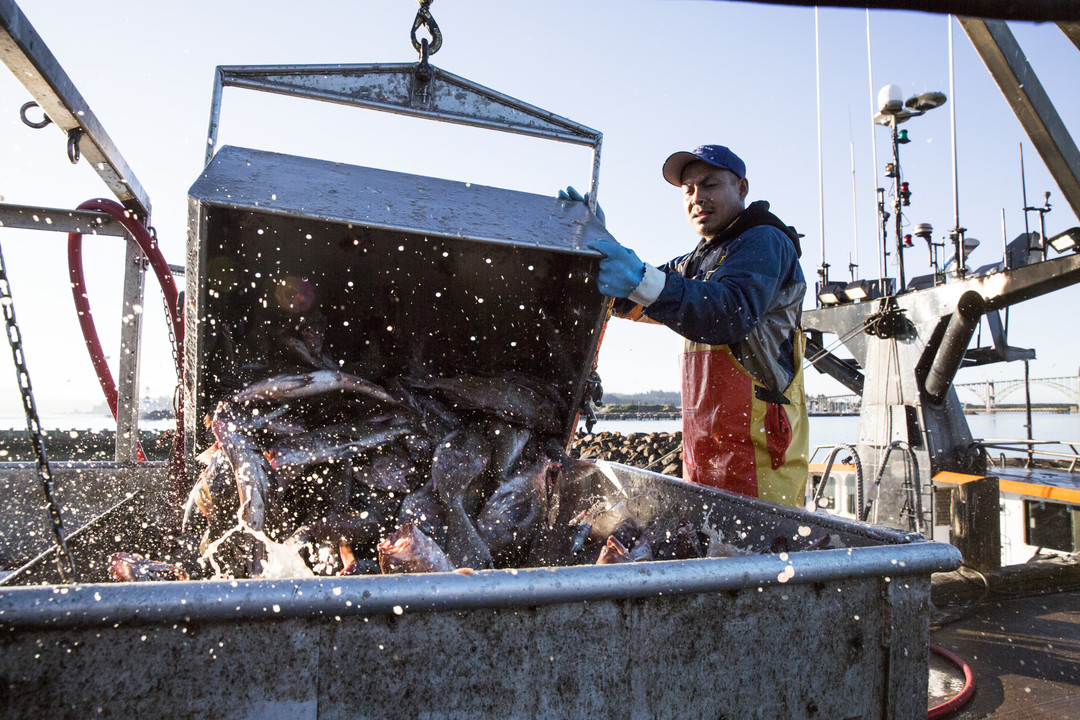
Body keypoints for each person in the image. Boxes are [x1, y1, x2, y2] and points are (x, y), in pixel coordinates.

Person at [586, 145, 808, 507]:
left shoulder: (765, 241)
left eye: (709, 185)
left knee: (760, 559)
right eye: (688, 190)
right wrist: (591, 243)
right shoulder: (697, 260)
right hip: (705, 459)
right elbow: (634, 298)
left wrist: (641, 279)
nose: (697, 198)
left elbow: (729, 313)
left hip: (763, 463)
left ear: (742, 188)